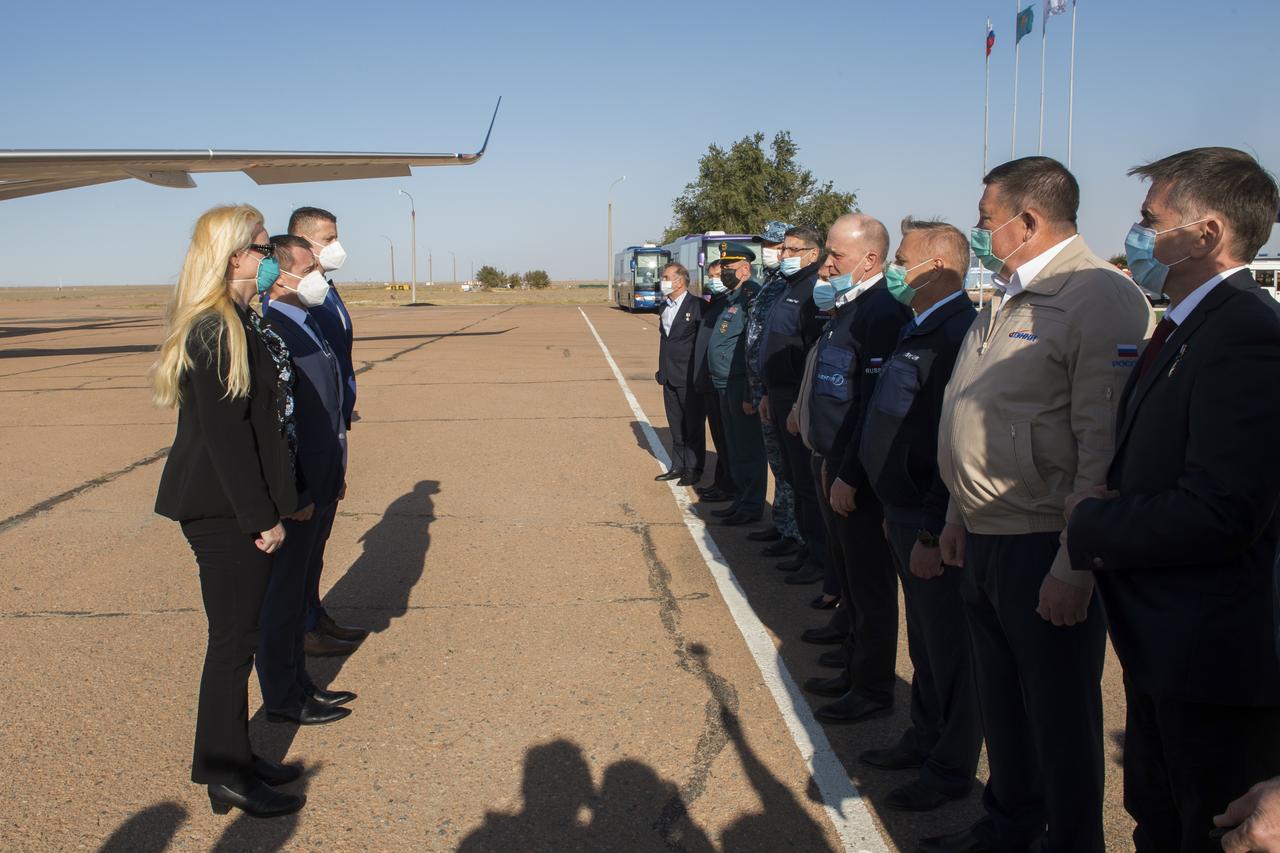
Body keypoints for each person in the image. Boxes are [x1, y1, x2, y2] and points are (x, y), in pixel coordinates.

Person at [926, 156, 1154, 853]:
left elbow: (1103, 447)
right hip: (988, 533)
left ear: (1029, 219)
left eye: (987, 217)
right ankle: (1010, 823)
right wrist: (958, 514)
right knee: (1006, 706)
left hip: (1044, 542)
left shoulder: (1094, 296)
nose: (981, 228)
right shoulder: (1007, 293)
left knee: (1058, 716)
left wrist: (1074, 562)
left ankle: (1071, 840)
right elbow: (974, 412)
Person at [1064, 147, 1280, 853]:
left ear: (1208, 234)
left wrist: (1093, 522)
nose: (1137, 234)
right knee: (1158, 820)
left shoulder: (1245, 332)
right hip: (1168, 649)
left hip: (1213, 665)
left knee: (1203, 830)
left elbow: (1223, 510)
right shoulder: (1191, 324)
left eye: (1148, 219)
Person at [152, 204, 306, 818]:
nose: (274, 259)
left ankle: (235, 757)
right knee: (231, 646)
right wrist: (259, 516)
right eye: (265, 248)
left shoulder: (242, 319)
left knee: (236, 640)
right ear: (236, 256)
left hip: (240, 504)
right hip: (222, 511)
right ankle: (223, 773)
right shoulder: (216, 329)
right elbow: (228, 437)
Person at [856, 218, 980, 811]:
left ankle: (950, 765)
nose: (896, 268)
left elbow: (944, 441)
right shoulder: (919, 326)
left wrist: (931, 527)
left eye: (903, 259)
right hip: (904, 511)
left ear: (934, 266)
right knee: (927, 645)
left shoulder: (956, 333)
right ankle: (925, 737)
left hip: (930, 518)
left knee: (949, 648)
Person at [797, 214, 911, 723]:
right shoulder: (851, 308)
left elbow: (871, 406)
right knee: (848, 574)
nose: (827, 265)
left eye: (836, 256)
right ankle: (852, 663)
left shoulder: (881, 312)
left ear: (869, 259)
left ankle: (872, 687)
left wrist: (849, 474)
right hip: (833, 461)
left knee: (869, 583)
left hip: (854, 474)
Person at [255, 234, 358, 726]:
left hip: (319, 482)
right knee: (281, 601)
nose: (316, 274)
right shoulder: (274, 327)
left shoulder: (305, 323)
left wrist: (334, 471)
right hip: (297, 493)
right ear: (280, 276)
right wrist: (293, 491)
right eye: (305, 267)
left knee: (299, 595)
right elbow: (284, 424)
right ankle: (281, 697)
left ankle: (300, 684)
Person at [287, 207, 369, 654]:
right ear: (305, 242)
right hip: (316, 427)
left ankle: (314, 613)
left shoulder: (325, 290)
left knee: (321, 533)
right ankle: (302, 625)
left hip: (336, 423)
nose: (337, 247)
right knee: (305, 536)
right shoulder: (301, 295)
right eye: (329, 238)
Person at [758, 226, 829, 582]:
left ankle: (818, 558)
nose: (782, 255)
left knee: (806, 483)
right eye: (782, 249)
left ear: (812, 254)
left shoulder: (814, 291)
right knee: (793, 479)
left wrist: (797, 406)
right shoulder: (790, 287)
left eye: (791, 249)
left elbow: (809, 355)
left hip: (798, 399)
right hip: (780, 394)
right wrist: (770, 393)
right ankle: (804, 545)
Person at [743, 221, 807, 573]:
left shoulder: (793, 285)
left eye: (775, 244)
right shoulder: (772, 284)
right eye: (766, 245)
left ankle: (797, 534)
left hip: (785, 392)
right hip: (765, 388)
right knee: (779, 467)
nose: (770, 251)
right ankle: (783, 525)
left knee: (791, 470)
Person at [705, 242, 767, 525]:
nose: (723, 274)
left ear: (744, 269)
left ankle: (751, 505)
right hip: (723, 382)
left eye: (728, 269)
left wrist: (748, 392)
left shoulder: (751, 296)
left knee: (748, 448)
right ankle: (741, 499)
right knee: (734, 446)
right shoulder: (734, 297)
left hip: (739, 383)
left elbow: (751, 347)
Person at [654, 262, 704, 485]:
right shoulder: (664, 306)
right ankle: (678, 465)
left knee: (692, 425)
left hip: (688, 377)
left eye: (665, 277)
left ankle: (694, 468)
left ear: (679, 281)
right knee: (675, 425)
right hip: (668, 376)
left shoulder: (698, 306)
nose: (662, 281)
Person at [693, 258, 737, 502]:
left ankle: (730, 485)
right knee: (719, 437)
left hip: (722, 380)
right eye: (710, 275)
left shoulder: (731, 304)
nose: (713, 280)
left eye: (718, 274)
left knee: (728, 439)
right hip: (708, 380)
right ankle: (722, 481)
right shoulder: (716, 302)